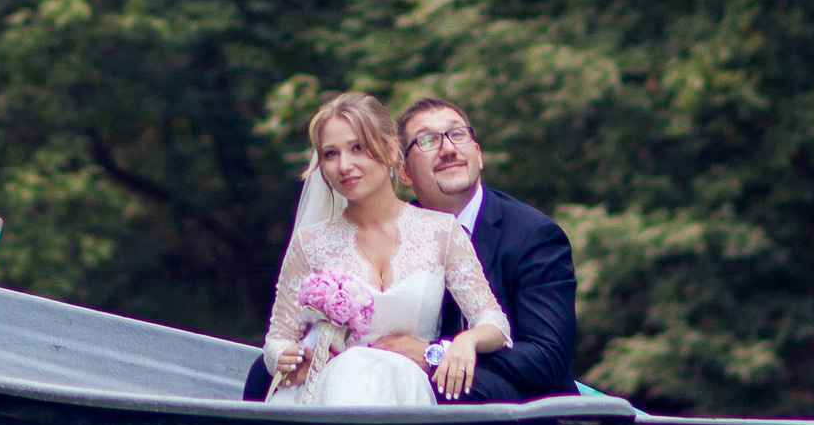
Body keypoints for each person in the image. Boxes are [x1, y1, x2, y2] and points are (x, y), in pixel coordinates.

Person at [241, 97, 577, 404]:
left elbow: (545, 359)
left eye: (457, 134)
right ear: (402, 167)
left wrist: (440, 351)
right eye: (428, 140)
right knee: (266, 375)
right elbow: (281, 337)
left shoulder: (529, 236)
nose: (447, 149)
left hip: (492, 390)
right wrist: (302, 353)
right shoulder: (315, 241)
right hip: (353, 380)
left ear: (479, 153)